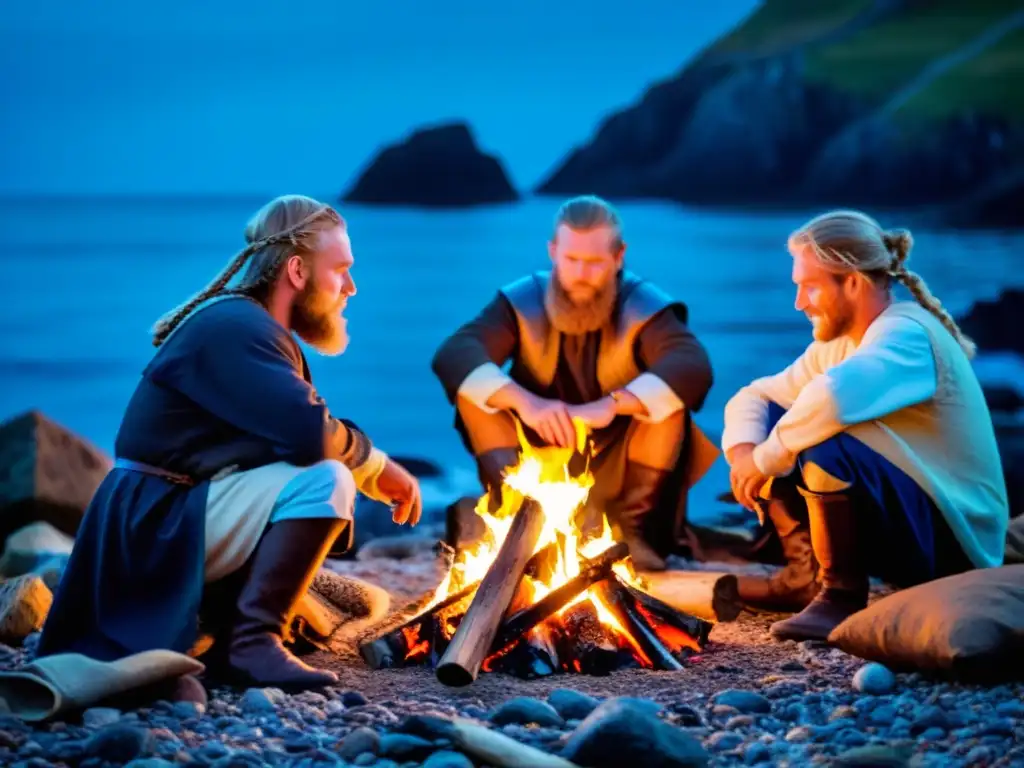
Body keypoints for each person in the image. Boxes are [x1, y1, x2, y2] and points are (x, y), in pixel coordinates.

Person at [37, 195, 422, 691]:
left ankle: (230, 635)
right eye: (341, 270)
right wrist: (375, 464)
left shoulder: (247, 325)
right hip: (151, 526)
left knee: (314, 474)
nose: (351, 286)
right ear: (299, 271)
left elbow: (285, 438)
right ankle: (251, 645)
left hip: (164, 513)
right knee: (327, 478)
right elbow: (309, 434)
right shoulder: (237, 328)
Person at [722, 209, 1009, 641]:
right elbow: (757, 396)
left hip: (958, 544)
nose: (799, 302)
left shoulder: (909, 333)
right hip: (915, 529)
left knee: (824, 434)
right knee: (781, 420)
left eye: (809, 286)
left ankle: (839, 596)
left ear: (852, 282)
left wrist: (765, 460)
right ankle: (807, 576)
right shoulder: (839, 345)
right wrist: (746, 455)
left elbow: (833, 399)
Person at [431, 195, 716, 571]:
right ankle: (514, 517)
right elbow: (456, 351)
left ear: (619, 256)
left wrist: (611, 405)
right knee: (476, 394)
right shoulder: (522, 301)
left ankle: (634, 535)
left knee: (668, 402)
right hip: (539, 448)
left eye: (595, 262)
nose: (582, 273)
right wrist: (526, 403)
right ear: (553, 251)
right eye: (572, 260)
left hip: (617, 462)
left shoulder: (642, 305)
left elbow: (691, 365)